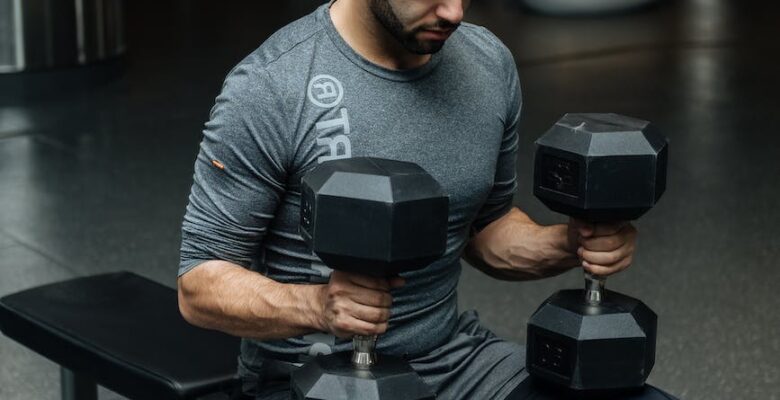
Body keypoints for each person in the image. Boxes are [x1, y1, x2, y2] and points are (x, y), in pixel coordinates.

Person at [176, 1, 638, 399]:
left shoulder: (488, 64)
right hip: (315, 378)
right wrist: (318, 306)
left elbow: (485, 229)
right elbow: (199, 286)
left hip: (454, 361)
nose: (454, 12)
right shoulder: (273, 85)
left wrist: (570, 242)